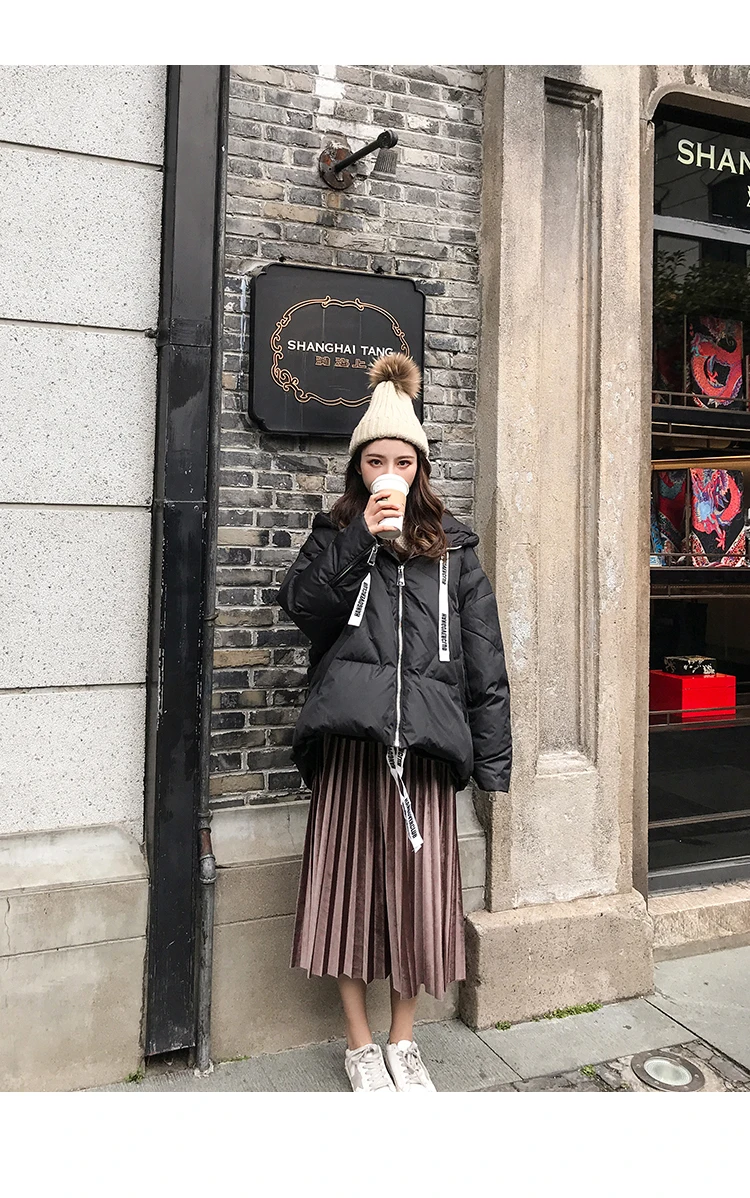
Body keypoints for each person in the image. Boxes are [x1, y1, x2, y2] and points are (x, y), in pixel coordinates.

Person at [276, 352, 512, 1092]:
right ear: (358, 467)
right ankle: (358, 1045)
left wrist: (493, 760)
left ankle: (404, 1042)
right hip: (353, 745)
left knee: (419, 901)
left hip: (427, 752)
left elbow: (483, 656)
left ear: (421, 468)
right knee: (346, 894)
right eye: (375, 460)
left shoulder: (456, 549)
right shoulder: (335, 533)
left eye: (402, 461)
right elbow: (303, 608)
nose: (389, 473)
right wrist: (361, 540)